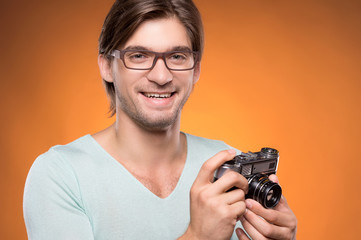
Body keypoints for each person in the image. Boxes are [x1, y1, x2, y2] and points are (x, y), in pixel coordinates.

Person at [23, 0, 297, 239]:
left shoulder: (229, 167)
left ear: (196, 69)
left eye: (177, 56)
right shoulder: (60, 175)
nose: (161, 76)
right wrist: (197, 237)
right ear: (107, 66)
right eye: (139, 56)